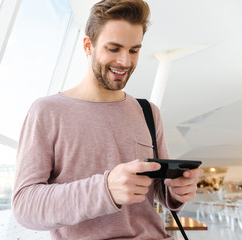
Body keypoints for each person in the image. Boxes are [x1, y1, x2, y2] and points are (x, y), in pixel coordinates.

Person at [12, 0, 203, 239]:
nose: (125, 62)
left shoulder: (148, 112)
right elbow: (24, 206)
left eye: (134, 50)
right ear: (88, 46)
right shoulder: (47, 112)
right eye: (114, 49)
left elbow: (158, 190)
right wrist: (105, 190)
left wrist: (176, 191)